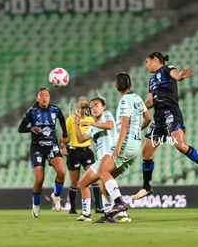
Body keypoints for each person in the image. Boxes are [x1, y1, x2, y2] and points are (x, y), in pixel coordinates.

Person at [132, 52, 198, 200]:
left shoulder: (167, 69)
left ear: (155, 60)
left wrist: (180, 76)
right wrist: (139, 107)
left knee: (180, 145)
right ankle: (146, 187)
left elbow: (176, 75)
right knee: (146, 153)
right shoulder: (151, 80)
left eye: (147, 61)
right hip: (158, 117)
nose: (146, 65)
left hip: (170, 112)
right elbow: (150, 102)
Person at [95, 72, 151, 223]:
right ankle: (116, 216)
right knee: (106, 178)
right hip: (136, 146)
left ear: (116, 86)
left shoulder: (124, 101)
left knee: (102, 171)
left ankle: (119, 203)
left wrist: (118, 147)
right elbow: (148, 119)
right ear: (131, 84)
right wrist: (138, 129)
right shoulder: (138, 98)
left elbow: (125, 125)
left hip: (125, 144)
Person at [73, 97, 130, 222]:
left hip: (109, 156)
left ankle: (92, 214)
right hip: (102, 160)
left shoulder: (106, 115)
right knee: (100, 186)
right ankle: (115, 215)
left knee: (86, 183)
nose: (94, 108)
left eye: (97, 105)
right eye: (92, 106)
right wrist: (77, 124)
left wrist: (90, 123)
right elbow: (81, 139)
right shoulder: (94, 126)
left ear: (103, 107)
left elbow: (109, 126)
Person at [18, 87, 68, 218]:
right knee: (39, 179)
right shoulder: (32, 112)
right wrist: (32, 128)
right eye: (42, 95)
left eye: (47, 95)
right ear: (37, 98)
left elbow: (62, 120)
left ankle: (56, 196)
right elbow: (20, 128)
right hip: (37, 148)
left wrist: (65, 134)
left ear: (49, 97)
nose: (45, 97)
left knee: (62, 172)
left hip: (52, 146)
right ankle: (36, 205)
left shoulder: (55, 110)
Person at [60, 97, 103, 214]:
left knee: (94, 179)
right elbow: (63, 136)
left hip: (87, 151)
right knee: (75, 182)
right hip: (73, 152)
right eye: (81, 106)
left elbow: (94, 137)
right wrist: (63, 147)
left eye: (85, 106)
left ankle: (98, 206)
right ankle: (72, 208)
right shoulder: (70, 120)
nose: (83, 109)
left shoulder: (90, 120)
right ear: (76, 107)